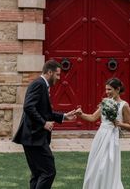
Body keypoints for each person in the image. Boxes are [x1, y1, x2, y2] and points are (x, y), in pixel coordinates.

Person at [13, 60, 80, 189]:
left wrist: (64, 116)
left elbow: (44, 111)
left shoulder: (42, 85)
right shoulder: (39, 84)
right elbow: (28, 106)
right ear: (50, 72)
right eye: (57, 74)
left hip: (32, 137)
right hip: (34, 137)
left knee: (38, 174)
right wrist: (43, 123)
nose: (59, 78)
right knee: (49, 172)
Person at [79, 78, 130, 189]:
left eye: (109, 89)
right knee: (96, 165)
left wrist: (118, 123)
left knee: (107, 165)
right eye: (106, 89)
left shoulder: (124, 105)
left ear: (117, 89)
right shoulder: (105, 102)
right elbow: (93, 117)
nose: (107, 92)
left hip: (112, 138)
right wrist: (81, 114)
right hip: (100, 136)